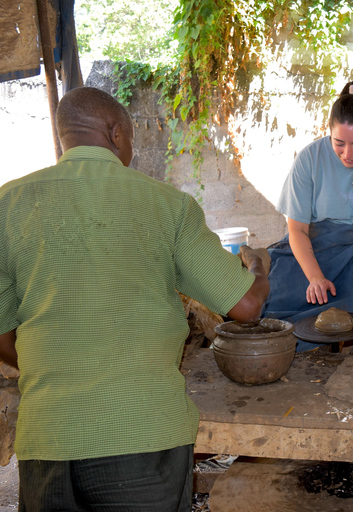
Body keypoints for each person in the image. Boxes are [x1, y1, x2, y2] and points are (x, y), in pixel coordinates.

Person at [0, 86, 269, 511]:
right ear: (116, 132)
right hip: (143, 436)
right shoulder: (167, 205)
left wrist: (56, 361)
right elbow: (247, 307)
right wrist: (257, 268)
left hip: (47, 440)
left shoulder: (8, 204)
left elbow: (1, 333)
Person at [263, 80, 353, 348]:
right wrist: (315, 278)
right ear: (328, 131)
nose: (347, 154)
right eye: (338, 142)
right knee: (274, 298)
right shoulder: (309, 158)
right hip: (314, 249)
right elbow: (297, 230)